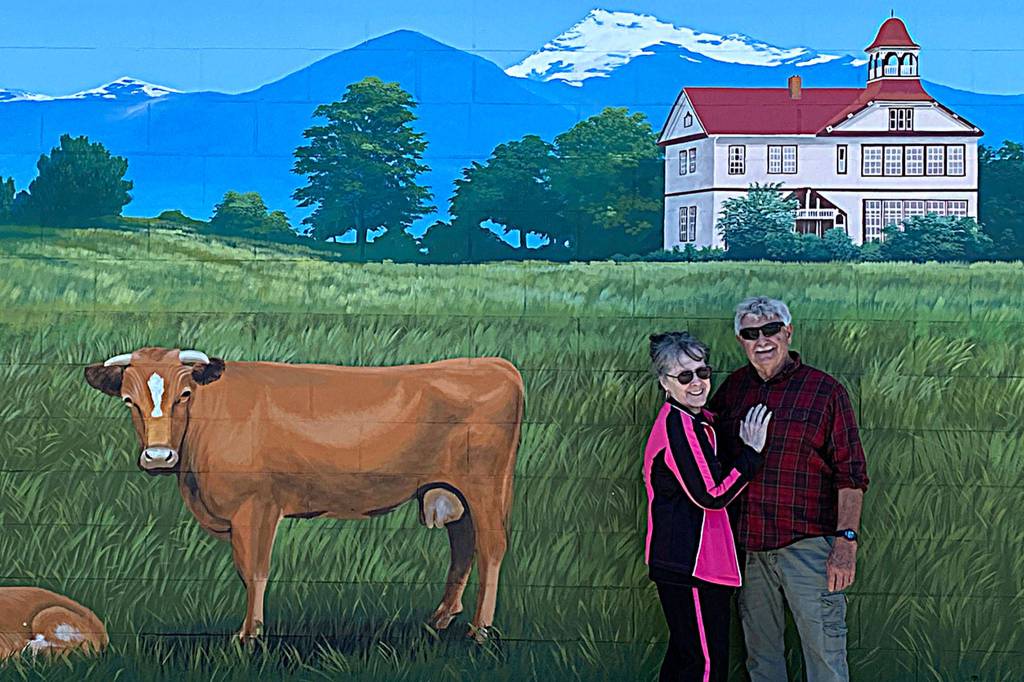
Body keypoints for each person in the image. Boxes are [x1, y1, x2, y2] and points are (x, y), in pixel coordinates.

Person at [709, 297, 870, 682]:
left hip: (809, 549)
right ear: (740, 340)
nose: (762, 341)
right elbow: (706, 456)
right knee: (762, 662)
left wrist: (846, 543)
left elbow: (851, 475)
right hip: (749, 552)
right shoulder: (732, 391)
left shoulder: (824, 391)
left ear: (788, 332)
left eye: (770, 330)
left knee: (825, 657)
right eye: (751, 334)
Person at [643, 331, 772, 682]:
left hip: (697, 563)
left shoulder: (697, 421)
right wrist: (751, 455)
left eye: (702, 372)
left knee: (686, 659)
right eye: (684, 376)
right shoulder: (678, 425)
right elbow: (710, 495)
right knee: (704, 667)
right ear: (664, 382)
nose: (697, 383)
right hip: (690, 564)